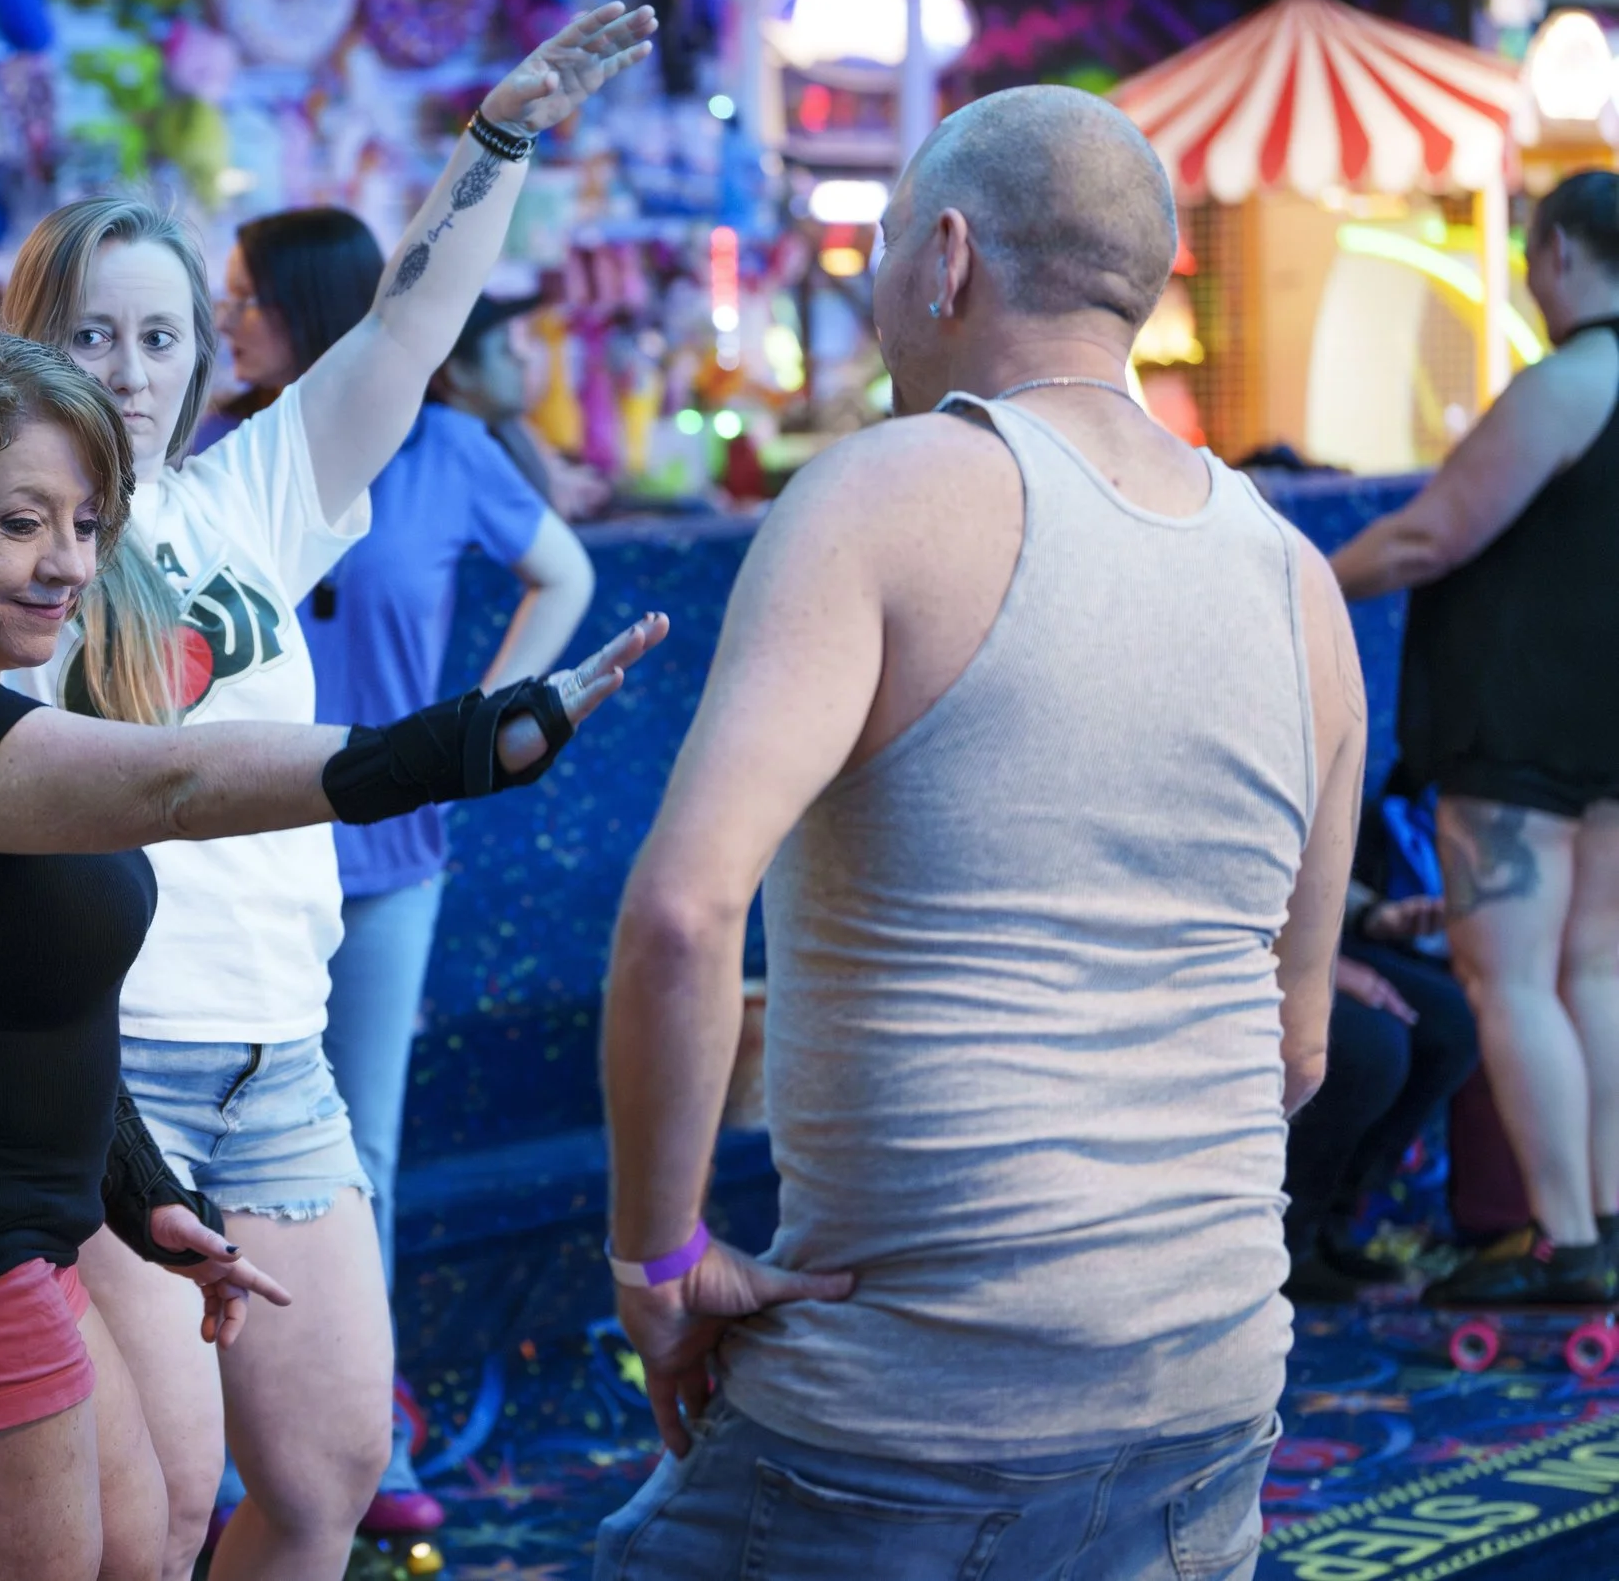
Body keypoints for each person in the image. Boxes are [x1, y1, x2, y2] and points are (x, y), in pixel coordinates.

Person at [0, 0, 655, 1580]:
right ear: (27, 350)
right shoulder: (1, 520)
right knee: (154, 1510)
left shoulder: (256, 490)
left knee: (326, 1477)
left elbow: (409, 321)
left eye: (159, 334)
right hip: (113, 1086)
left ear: (207, 352)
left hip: (283, 1062)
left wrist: (500, 138)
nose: (126, 367)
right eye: (89, 333)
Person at [593, 84, 1364, 1578]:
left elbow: (682, 917)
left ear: (947, 257)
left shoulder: (888, 494)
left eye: (883, 249)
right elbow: (1295, 1045)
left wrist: (661, 1254)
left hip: (910, 1407)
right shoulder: (1298, 582)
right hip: (1212, 1391)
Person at [221, 224, 599, 1527]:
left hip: (389, 851)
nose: (225, 323)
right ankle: (224, 1447)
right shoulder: (229, 447)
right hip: (235, 848)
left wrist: (488, 719)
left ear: (304, 307)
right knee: (217, 1136)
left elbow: (567, 570)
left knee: (358, 1147)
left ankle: (363, 1436)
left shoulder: (445, 449)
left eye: (242, 299)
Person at [1330, 169, 1619, 1305]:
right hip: (1602, 728)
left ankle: (1559, 1239)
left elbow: (1427, 538)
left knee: (1509, 982)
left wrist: (1286, 574)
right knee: (1595, 968)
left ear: (1551, 254)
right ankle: (1599, 1219)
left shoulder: (1567, 383)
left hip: (1521, 729)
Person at [1281, 809, 1480, 1302]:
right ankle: (1284, 1240)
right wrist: (1309, 967)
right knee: (1371, 1046)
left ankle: (1335, 1223)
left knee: (1450, 1023)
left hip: (1306, 929)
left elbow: (1302, 859)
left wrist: (1369, 914)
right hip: (1240, 940)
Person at [430, 294, 610, 521]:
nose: (523, 360)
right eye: (505, 350)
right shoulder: (450, 450)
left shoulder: (508, 427)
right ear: (460, 372)